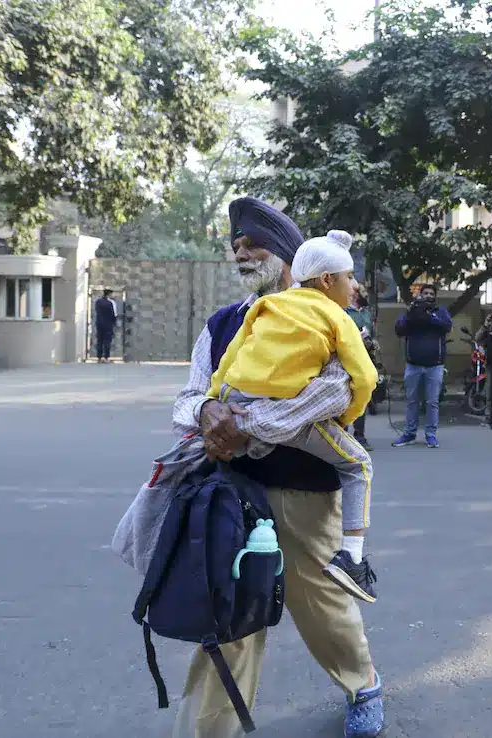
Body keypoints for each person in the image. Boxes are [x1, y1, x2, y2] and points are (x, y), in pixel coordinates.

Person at [170, 197, 384, 738]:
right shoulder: (222, 324)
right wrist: (207, 410)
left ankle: (363, 685)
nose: (241, 253)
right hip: (230, 492)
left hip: (305, 489)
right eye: (236, 245)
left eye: (253, 244)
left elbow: (337, 391)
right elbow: (187, 398)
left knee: (320, 601)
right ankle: (209, 731)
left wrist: (251, 423)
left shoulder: (325, 315)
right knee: (229, 615)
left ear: (288, 254)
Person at [204, 230, 379, 603]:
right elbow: (364, 377)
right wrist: (348, 416)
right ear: (328, 280)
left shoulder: (268, 306)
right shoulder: (337, 316)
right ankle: (352, 557)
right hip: (280, 409)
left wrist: (215, 398)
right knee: (358, 465)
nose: (354, 285)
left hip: (238, 395)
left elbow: (231, 357)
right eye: (350, 277)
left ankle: (253, 437)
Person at [391, 283, 451, 449]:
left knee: (432, 402)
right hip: (413, 366)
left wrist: (429, 316)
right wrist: (411, 314)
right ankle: (409, 434)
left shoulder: (441, 312)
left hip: (435, 366)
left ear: (435, 296)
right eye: (425, 293)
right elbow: (399, 329)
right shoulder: (412, 312)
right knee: (412, 401)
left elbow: (447, 326)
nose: (428, 296)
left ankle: (430, 435)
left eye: (432, 293)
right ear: (420, 294)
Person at [345, 283, 376, 451]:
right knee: (344, 399)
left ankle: (360, 436)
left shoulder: (366, 313)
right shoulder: (343, 311)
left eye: (362, 291)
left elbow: (372, 334)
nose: (361, 293)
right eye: (358, 290)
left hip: (364, 360)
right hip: (346, 360)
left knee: (361, 398)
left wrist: (372, 342)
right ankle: (341, 435)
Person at [94, 289, 117, 363]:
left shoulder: (98, 302)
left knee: (99, 340)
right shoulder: (110, 303)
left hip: (99, 323)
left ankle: (99, 358)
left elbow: (97, 311)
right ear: (109, 294)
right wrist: (114, 322)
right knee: (107, 341)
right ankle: (106, 357)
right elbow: (113, 314)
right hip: (108, 324)